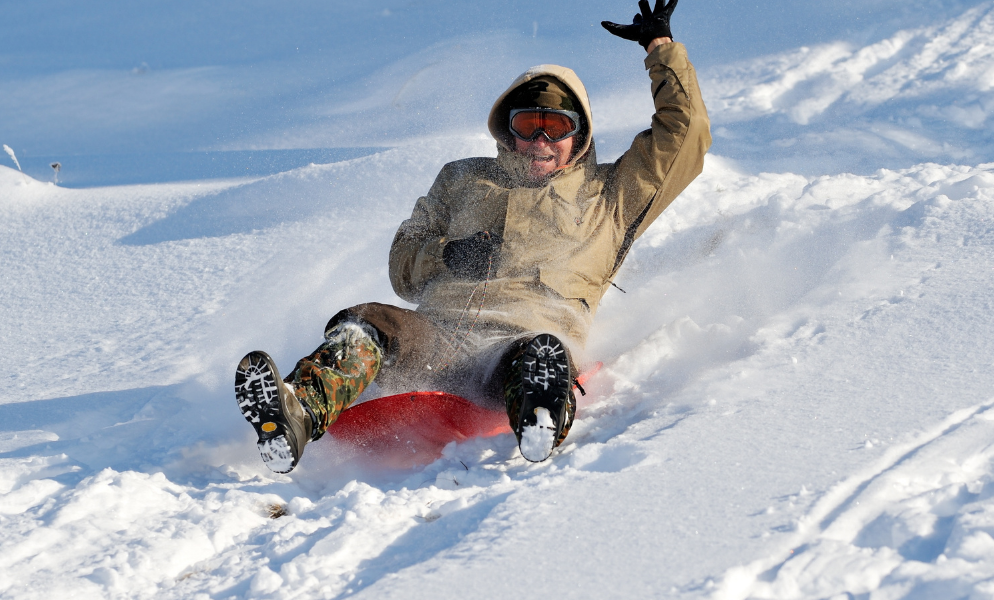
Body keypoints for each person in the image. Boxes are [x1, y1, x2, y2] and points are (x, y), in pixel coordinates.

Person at [234, 0, 711, 473]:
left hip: (524, 337)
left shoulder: (610, 195)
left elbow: (685, 135)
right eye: (528, 125)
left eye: (555, 127)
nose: (539, 141)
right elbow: (402, 264)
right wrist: (446, 257)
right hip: (436, 336)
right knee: (368, 320)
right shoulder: (463, 179)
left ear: (579, 134)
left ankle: (540, 414)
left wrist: (660, 48)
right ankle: (295, 413)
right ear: (508, 131)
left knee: (539, 352)